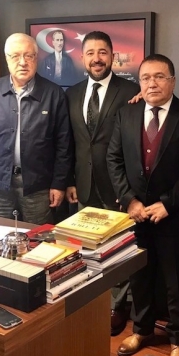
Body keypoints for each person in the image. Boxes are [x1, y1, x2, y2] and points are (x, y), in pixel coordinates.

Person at [107, 54, 179, 356]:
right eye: (146, 77)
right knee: (140, 276)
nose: (152, 83)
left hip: (174, 215)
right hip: (136, 213)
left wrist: (169, 203)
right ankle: (141, 330)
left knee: (176, 280)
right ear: (139, 82)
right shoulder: (126, 113)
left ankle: (178, 339)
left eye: (160, 76)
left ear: (172, 81)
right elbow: (113, 159)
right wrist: (129, 200)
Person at [65, 31, 140, 336]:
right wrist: (69, 180)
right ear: (82, 57)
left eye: (103, 52)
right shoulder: (71, 94)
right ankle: (91, 301)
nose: (97, 59)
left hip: (117, 186)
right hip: (83, 184)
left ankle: (116, 306)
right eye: (90, 53)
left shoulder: (131, 91)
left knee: (117, 249)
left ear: (112, 56)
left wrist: (129, 190)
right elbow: (70, 142)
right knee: (87, 247)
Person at [0, 33, 72, 225]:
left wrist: (59, 183)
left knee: (39, 237)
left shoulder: (53, 93)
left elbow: (64, 145)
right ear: (7, 59)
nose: (22, 62)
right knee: (1, 235)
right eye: (15, 56)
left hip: (39, 186)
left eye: (28, 56)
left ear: (36, 58)